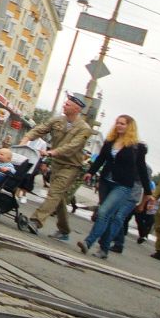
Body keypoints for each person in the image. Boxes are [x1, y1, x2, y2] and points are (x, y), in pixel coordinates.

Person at [78, 114, 149, 259]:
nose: (119, 125)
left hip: (123, 185)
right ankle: (104, 249)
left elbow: (141, 169)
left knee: (103, 212)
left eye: (122, 123)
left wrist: (148, 192)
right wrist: (90, 172)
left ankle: (88, 242)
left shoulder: (137, 147)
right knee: (107, 217)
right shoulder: (110, 141)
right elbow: (101, 159)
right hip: (106, 181)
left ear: (130, 126)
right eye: (117, 123)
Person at [28, 93, 96, 241]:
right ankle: (64, 230)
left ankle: (36, 221)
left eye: (68, 104)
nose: (64, 105)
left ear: (77, 109)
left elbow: (73, 146)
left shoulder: (84, 128)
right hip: (56, 163)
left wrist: (52, 152)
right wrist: (26, 138)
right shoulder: (58, 120)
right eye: (65, 103)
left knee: (54, 193)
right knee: (58, 198)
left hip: (70, 166)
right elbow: (41, 129)